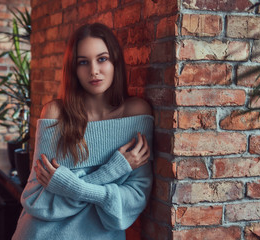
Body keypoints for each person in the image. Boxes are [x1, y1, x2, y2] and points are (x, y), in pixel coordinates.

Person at [12, 23, 154, 240]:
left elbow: (135, 198)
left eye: (102, 59)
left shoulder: (136, 114)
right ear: (73, 69)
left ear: (115, 61)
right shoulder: (55, 113)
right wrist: (113, 170)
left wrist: (67, 184)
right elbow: (36, 199)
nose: (94, 71)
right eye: (83, 62)